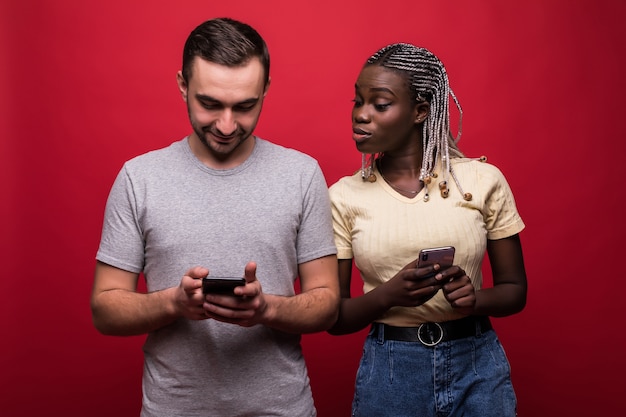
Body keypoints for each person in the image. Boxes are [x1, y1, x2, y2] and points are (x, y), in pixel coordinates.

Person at [90, 17, 339, 417]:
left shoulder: (302, 174)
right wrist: (173, 303)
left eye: (245, 106)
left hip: (282, 408)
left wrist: (267, 310)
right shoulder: (139, 178)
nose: (226, 125)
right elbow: (104, 308)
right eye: (209, 104)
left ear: (266, 90)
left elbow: (327, 302)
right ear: (183, 85)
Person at [328, 43, 527, 417]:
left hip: (478, 366)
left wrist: (474, 300)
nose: (361, 115)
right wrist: (388, 295)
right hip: (390, 373)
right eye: (358, 101)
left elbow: (516, 291)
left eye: (379, 104)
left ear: (420, 111)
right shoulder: (342, 196)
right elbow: (334, 318)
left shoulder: (482, 180)